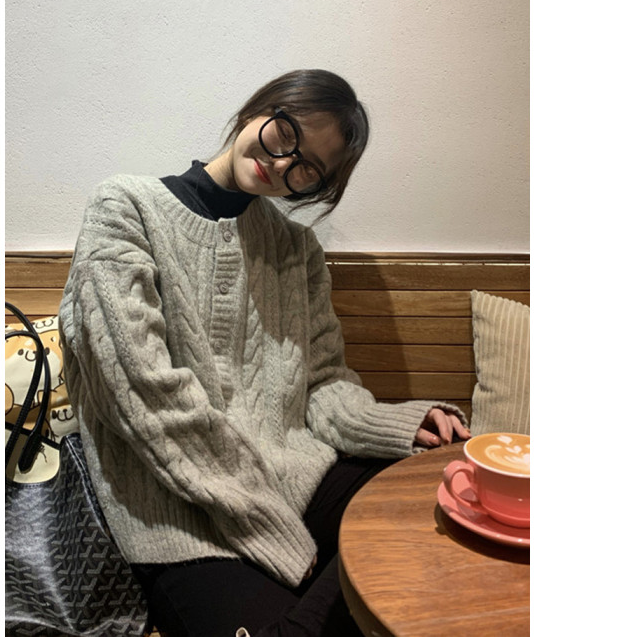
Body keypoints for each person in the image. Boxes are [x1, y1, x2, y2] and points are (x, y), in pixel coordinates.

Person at [58, 69, 470, 637]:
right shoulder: (126, 207)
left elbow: (322, 383)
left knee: (445, 489)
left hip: (299, 479)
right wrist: (270, 525)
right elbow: (140, 394)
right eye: (285, 135)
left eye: (308, 169)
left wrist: (395, 424)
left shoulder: (297, 248)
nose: (283, 165)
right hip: (177, 511)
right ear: (260, 109)